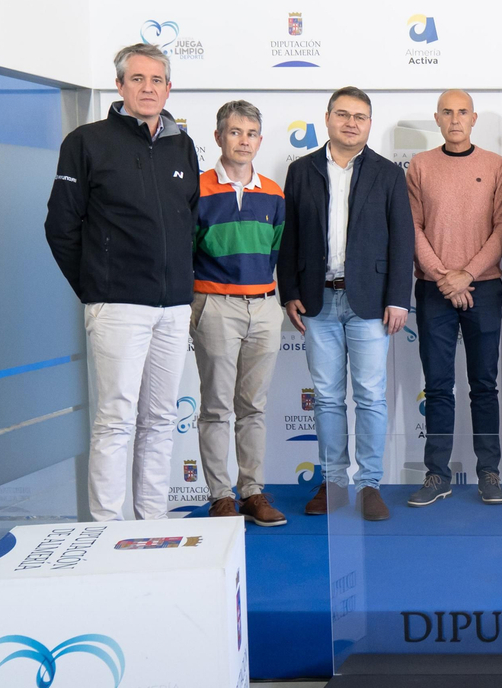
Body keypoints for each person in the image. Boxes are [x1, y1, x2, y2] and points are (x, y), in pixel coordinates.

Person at [45, 43, 200, 522]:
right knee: (116, 420)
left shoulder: (182, 145)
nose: (147, 88)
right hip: (117, 306)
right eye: (137, 79)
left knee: (160, 419)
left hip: (173, 307)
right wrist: (97, 287)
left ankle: (151, 522)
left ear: (168, 88)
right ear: (119, 85)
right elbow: (61, 227)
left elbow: (189, 221)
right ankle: (106, 530)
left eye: (156, 80)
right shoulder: (86, 142)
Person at [278, 86, 413, 522]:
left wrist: (398, 298)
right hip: (316, 300)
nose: (351, 123)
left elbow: (402, 240)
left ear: (369, 123)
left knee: (371, 396)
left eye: (360, 116)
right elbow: (289, 237)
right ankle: (334, 482)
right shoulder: (301, 171)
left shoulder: (388, 174)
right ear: (327, 118)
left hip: (370, 302)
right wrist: (289, 291)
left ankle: (369, 484)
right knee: (327, 397)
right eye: (343, 114)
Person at [405, 90, 502, 507]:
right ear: (437, 118)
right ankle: (437, 474)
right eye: (447, 112)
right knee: (437, 387)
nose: (455, 119)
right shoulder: (420, 165)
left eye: (462, 112)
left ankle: (489, 472)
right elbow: (412, 227)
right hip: (434, 290)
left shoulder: (495, 165)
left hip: (483, 287)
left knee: (484, 385)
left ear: (474, 118)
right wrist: (444, 277)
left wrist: (467, 274)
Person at [191, 99, 287, 526]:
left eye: (251, 134)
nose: (244, 141)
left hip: (264, 306)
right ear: (218, 137)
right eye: (235, 132)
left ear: (260, 141)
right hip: (215, 305)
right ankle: (220, 496)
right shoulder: (197, 189)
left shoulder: (274, 193)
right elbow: (186, 251)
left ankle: (252, 491)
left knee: (253, 407)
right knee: (215, 407)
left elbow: (276, 250)